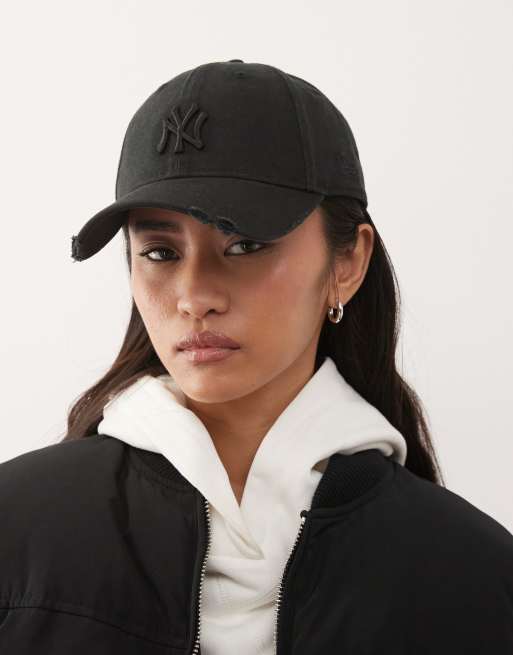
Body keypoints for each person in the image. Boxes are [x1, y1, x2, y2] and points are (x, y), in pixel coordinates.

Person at [1, 60, 512, 654]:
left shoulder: (474, 579)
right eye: (161, 252)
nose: (195, 296)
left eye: (245, 244)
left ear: (347, 262)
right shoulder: (15, 532)